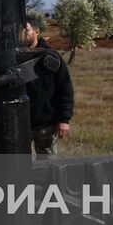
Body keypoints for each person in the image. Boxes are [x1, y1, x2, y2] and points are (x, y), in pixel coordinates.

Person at [21, 21, 73, 157]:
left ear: (36, 32)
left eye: (26, 30)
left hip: (46, 125)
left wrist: (64, 119)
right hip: (20, 125)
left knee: (48, 167)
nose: (22, 34)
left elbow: (65, 88)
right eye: (19, 31)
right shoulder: (12, 58)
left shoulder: (50, 57)